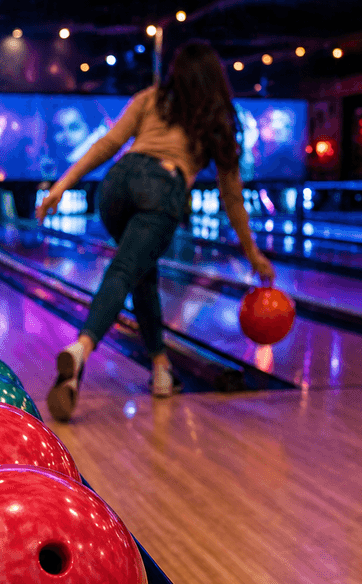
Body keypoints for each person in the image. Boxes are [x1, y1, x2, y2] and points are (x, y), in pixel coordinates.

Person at [36, 40, 276, 422]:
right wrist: (252, 252)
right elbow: (232, 198)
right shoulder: (217, 119)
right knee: (126, 270)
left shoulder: (151, 98)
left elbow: (109, 144)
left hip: (116, 184)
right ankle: (81, 349)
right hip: (162, 188)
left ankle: (161, 368)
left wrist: (62, 184)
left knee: (140, 272)